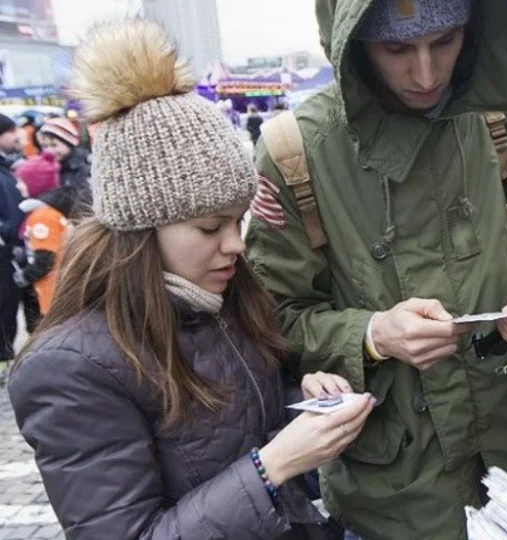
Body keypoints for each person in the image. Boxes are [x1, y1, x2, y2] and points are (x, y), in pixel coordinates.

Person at [8, 20, 374, 539]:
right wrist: (272, 468)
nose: (235, 244)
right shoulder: (68, 369)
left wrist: (305, 398)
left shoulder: (219, 302)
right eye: (210, 226)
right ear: (141, 228)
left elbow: (236, 424)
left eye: (238, 220)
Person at [245, 0, 507, 538]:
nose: (426, 73)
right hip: (391, 502)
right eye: (397, 48)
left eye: (446, 41)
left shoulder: (503, 116)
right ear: (353, 43)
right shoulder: (295, 152)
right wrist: (371, 334)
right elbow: (270, 322)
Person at [12, 151, 70, 324]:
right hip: (55, 292)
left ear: (34, 183)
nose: (17, 186)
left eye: (21, 181)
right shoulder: (49, 211)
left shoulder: (42, 216)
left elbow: (45, 259)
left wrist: (24, 276)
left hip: (52, 295)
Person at [0, 113, 23, 386]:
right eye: (10, 132)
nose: (16, 137)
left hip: (12, 248)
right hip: (5, 249)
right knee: (4, 305)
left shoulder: (7, 167)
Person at [38, 117, 93, 211]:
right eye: (45, 146)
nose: (48, 151)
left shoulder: (83, 166)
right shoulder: (47, 166)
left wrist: (49, 199)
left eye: (54, 145)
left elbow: (80, 197)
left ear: (69, 143)